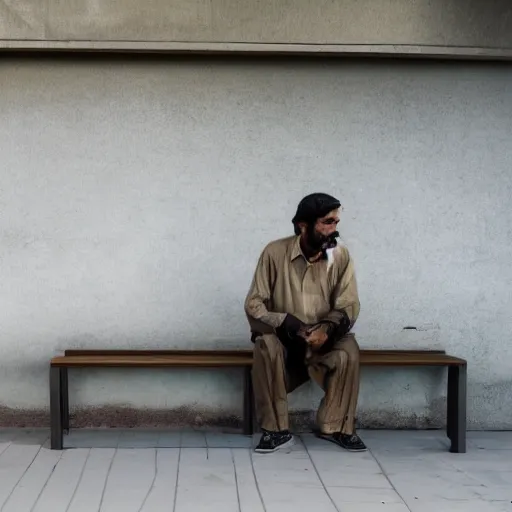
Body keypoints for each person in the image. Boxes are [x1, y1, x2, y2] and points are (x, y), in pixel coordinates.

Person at [244, 192, 366, 453]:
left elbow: (349, 304)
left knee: (349, 349)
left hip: (324, 343)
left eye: (335, 222)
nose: (333, 229)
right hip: (286, 344)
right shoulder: (274, 253)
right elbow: (254, 303)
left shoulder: (341, 256)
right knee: (266, 345)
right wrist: (286, 322)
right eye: (326, 222)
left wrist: (328, 328)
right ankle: (275, 431)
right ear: (303, 225)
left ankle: (336, 427)